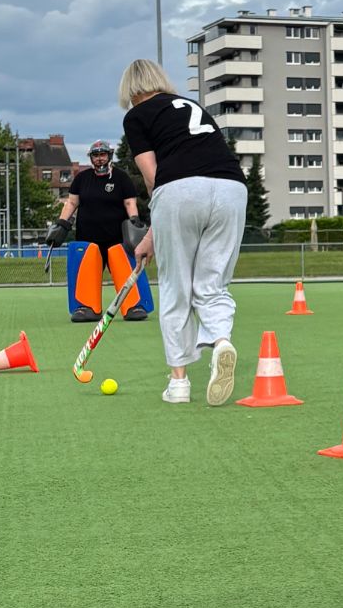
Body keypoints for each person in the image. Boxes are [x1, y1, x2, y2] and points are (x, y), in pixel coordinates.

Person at [118, 60, 247, 406]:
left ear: (130, 90)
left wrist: (151, 232)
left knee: (176, 288)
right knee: (213, 284)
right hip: (232, 188)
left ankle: (179, 384)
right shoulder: (192, 105)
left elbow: (153, 177)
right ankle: (221, 342)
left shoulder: (136, 116)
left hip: (179, 189)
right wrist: (152, 235)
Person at [46, 141, 151, 323]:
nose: (99, 158)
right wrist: (62, 223)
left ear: (109, 155)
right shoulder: (82, 178)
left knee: (125, 269)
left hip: (117, 238)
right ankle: (87, 307)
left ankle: (133, 305)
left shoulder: (121, 178)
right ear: (91, 158)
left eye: (103, 154)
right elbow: (72, 202)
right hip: (88, 238)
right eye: (96, 155)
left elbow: (129, 202)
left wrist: (134, 220)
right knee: (87, 272)